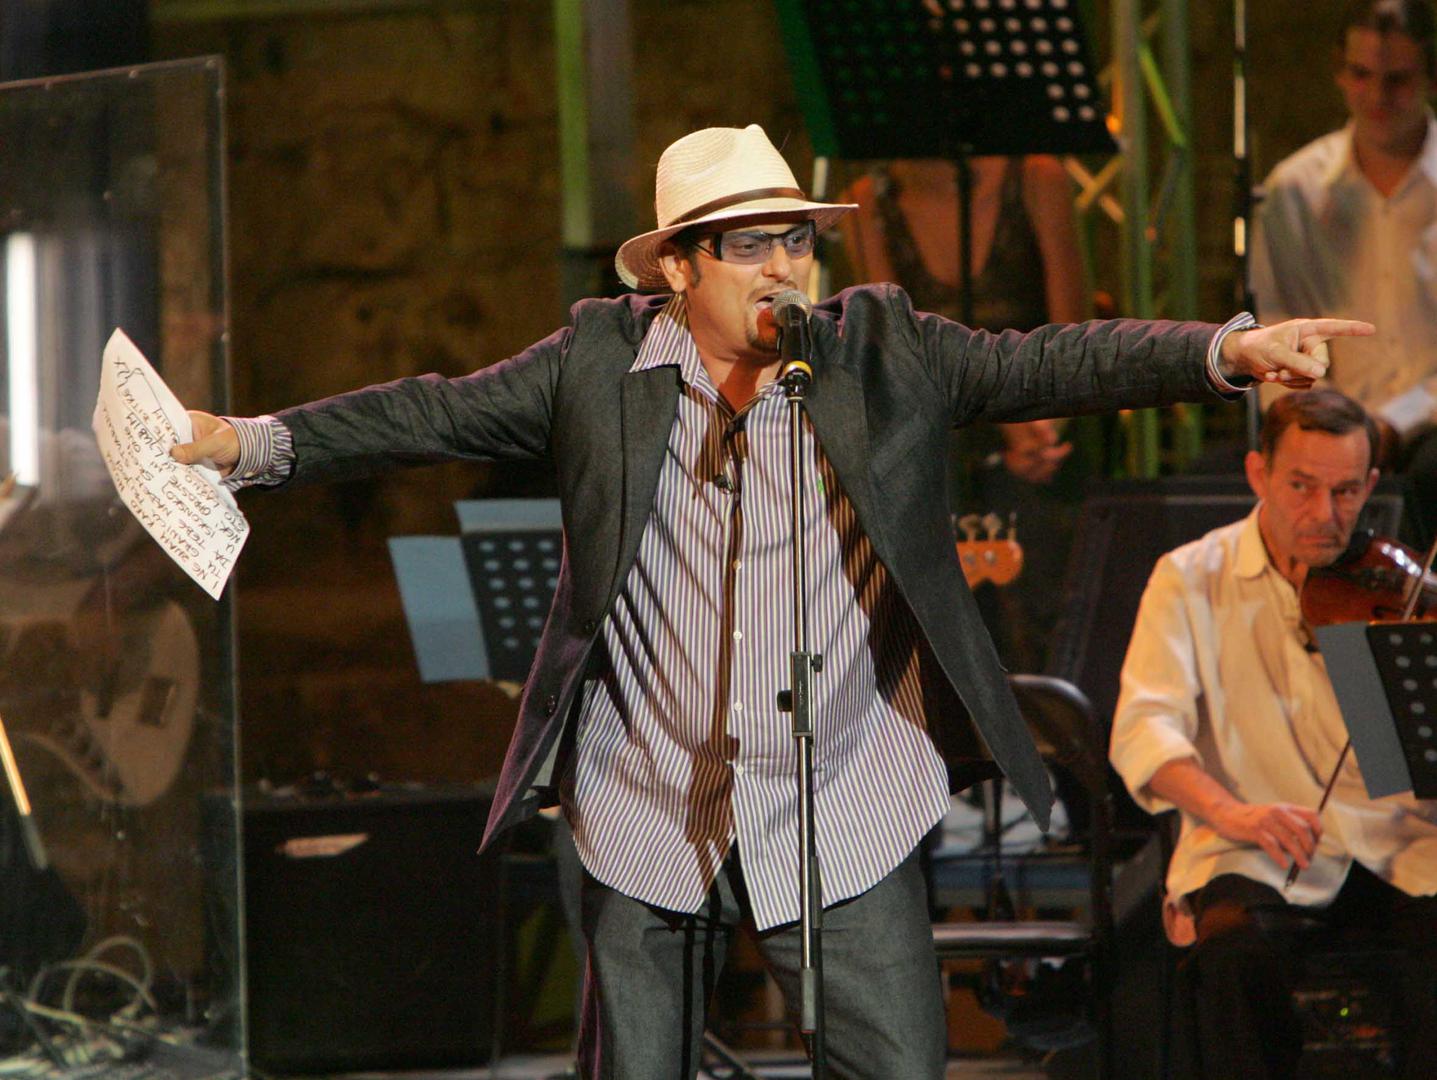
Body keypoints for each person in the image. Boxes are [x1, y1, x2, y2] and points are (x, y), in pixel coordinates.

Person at [172, 124, 1361, 1079]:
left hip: (839, 792)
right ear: (677, 268)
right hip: (647, 798)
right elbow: (428, 412)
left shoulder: (879, 350)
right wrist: (248, 442)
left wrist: (1223, 351)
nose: (784, 267)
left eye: (796, 239)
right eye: (749, 246)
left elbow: (1051, 360)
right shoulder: (598, 365)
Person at [1109, 389, 1437, 1079]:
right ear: (1258, 474)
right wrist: (1234, 814)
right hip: (1251, 848)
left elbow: (1406, 756)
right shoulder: (1189, 578)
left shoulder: (1398, 590)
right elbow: (1144, 727)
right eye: (1302, 487)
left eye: (1346, 492)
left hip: (1395, 844)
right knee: (1232, 951)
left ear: (1371, 485)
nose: (1325, 515)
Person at [839, 155, 1092, 674]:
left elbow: (1076, 333)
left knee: (1048, 590)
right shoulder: (867, 202)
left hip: (1041, 413)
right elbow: (891, 355)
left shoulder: (1036, 179)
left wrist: (1041, 430)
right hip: (936, 432)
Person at [1250, 0, 1437, 548]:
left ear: (1429, 76)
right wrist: (1329, 423)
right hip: (1329, 419)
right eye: (1361, 75)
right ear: (1338, 72)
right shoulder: (1294, 189)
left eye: (1397, 80)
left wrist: (1395, 422)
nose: (1377, 97)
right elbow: (1276, 332)